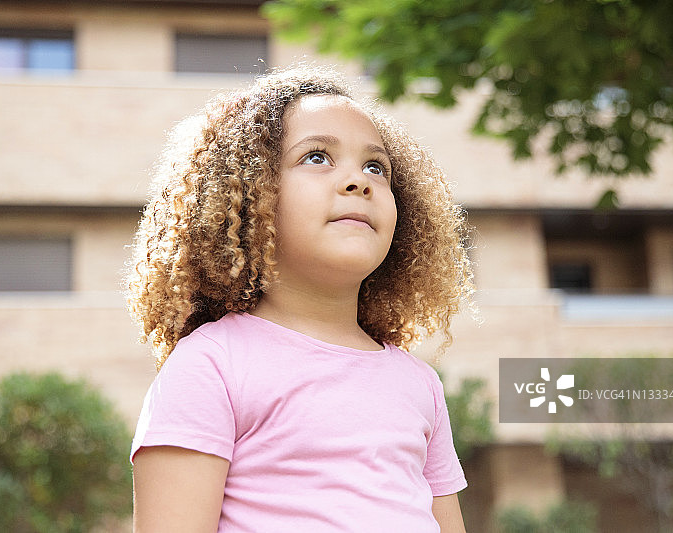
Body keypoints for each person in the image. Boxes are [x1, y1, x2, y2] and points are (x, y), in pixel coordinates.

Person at [126, 66, 474, 533]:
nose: (359, 180)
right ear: (250, 194)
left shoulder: (421, 385)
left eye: (376, 167)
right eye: (316, 157)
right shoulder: (211, 364)